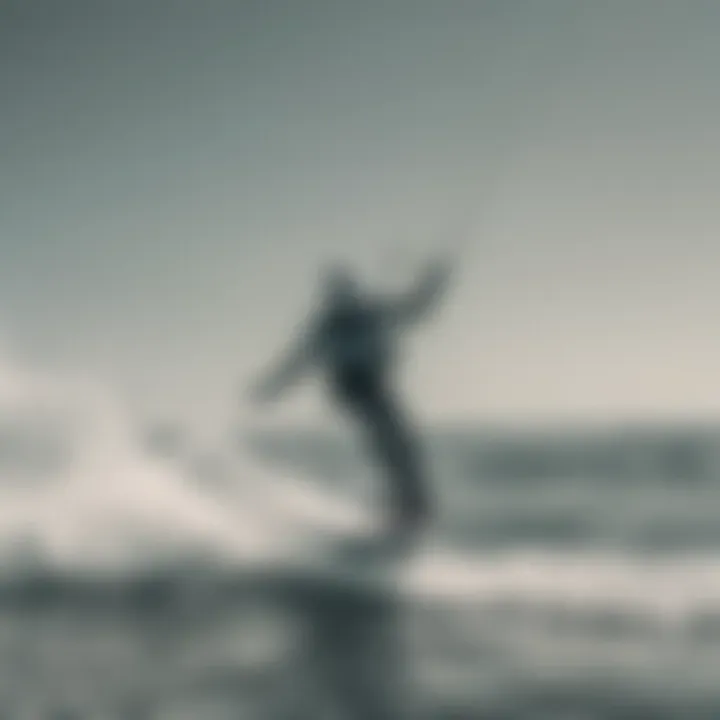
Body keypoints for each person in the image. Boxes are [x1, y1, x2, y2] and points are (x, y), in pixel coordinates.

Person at [248, 254, 455, 539]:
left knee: (401, 443)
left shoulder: (371, 311)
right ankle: (405, 507)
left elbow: (415, 308)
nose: (342, 300)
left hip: (376, 386)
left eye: (345, 293)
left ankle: (408, 506)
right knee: (391, 441)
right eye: (337, 296)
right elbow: (297, 361)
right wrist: (271, 387)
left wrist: (435, 281)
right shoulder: (326, 326)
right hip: (353, 388)